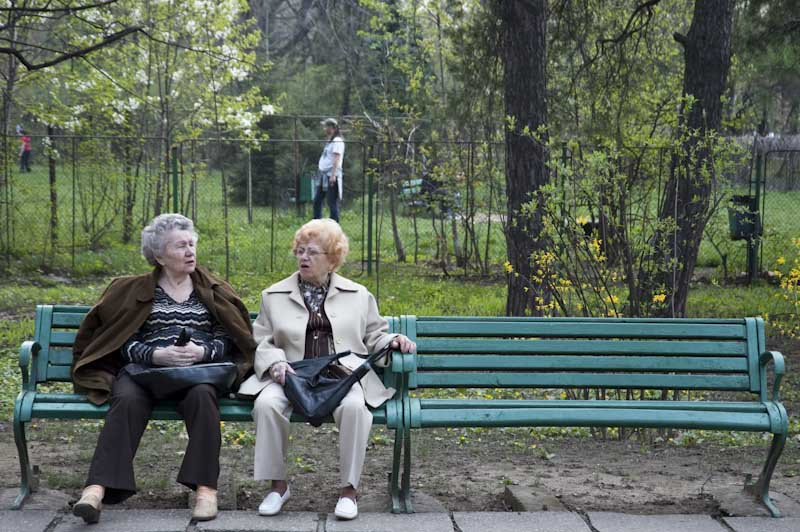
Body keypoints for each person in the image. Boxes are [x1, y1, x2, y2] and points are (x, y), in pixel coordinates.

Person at [70, 213, 256, 524]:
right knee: (126, 399)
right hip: (144, 373)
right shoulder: (131, 289)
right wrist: (155, 355)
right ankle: (95, 491)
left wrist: (203, 352)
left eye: (191, 244)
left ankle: (206, 491)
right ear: (159, 256)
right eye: (180, 246)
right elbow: (120, 338)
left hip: (198, 373)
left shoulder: (213, 289)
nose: (190, 251)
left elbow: (229, 335)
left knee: (203, 397)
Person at [238, 218, 416, 521]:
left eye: (312, 252)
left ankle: (349, 491)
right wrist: (276, 362)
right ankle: (278, 487)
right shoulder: (273, 295)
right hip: (291, 375)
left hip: (340, 377)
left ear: (332, 259)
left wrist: (393, 341)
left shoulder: (358, 295)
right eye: (300, 251)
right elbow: (261, 341)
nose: (303, 257)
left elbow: (375, 336)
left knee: (355, 409)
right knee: (266, 405)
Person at [313, 118, 344, 222]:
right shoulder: (330, 141)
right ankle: (317, 224)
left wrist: (333, 175)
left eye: (326, 127)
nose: (324, 129)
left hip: (331, 175)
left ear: (333, 128)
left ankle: (335, 226)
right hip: (323, 175)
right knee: (317, 200)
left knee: (331, 202)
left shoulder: (337, 141)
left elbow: (336, 158)